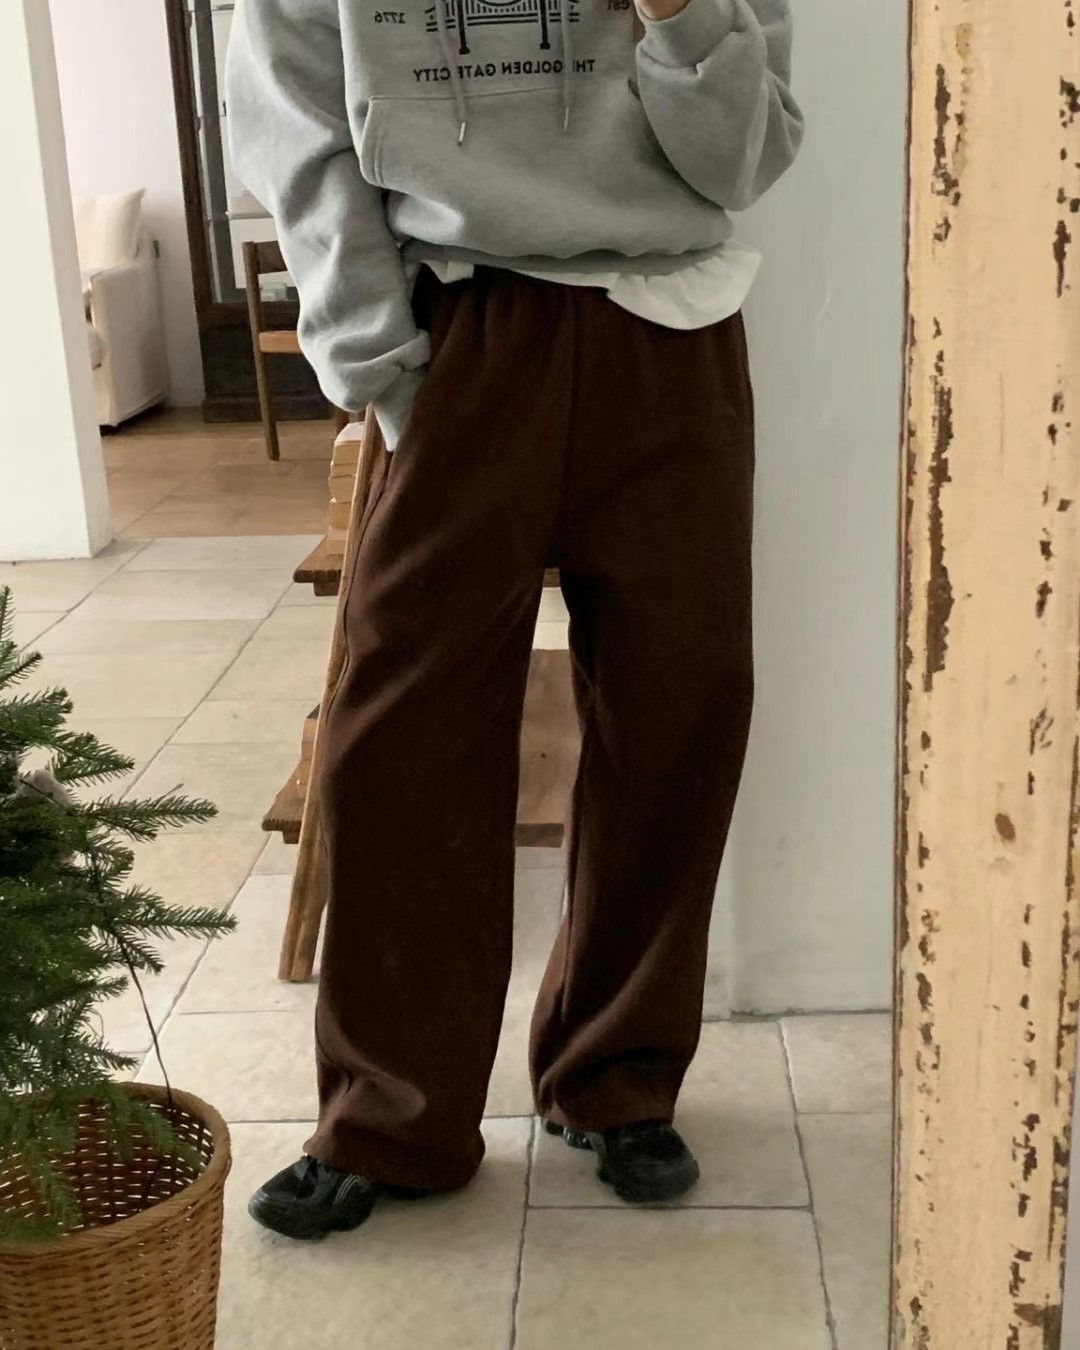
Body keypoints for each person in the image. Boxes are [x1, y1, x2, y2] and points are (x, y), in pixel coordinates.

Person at [227, 0, 802, 1241]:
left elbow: (745, 160)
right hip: (458, 327)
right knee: (403, 734)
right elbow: (298, 125)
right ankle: (390, 1113)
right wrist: (379, 363)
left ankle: (617, 1077)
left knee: (679, 711)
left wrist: (678, 17)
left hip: (672, 332)